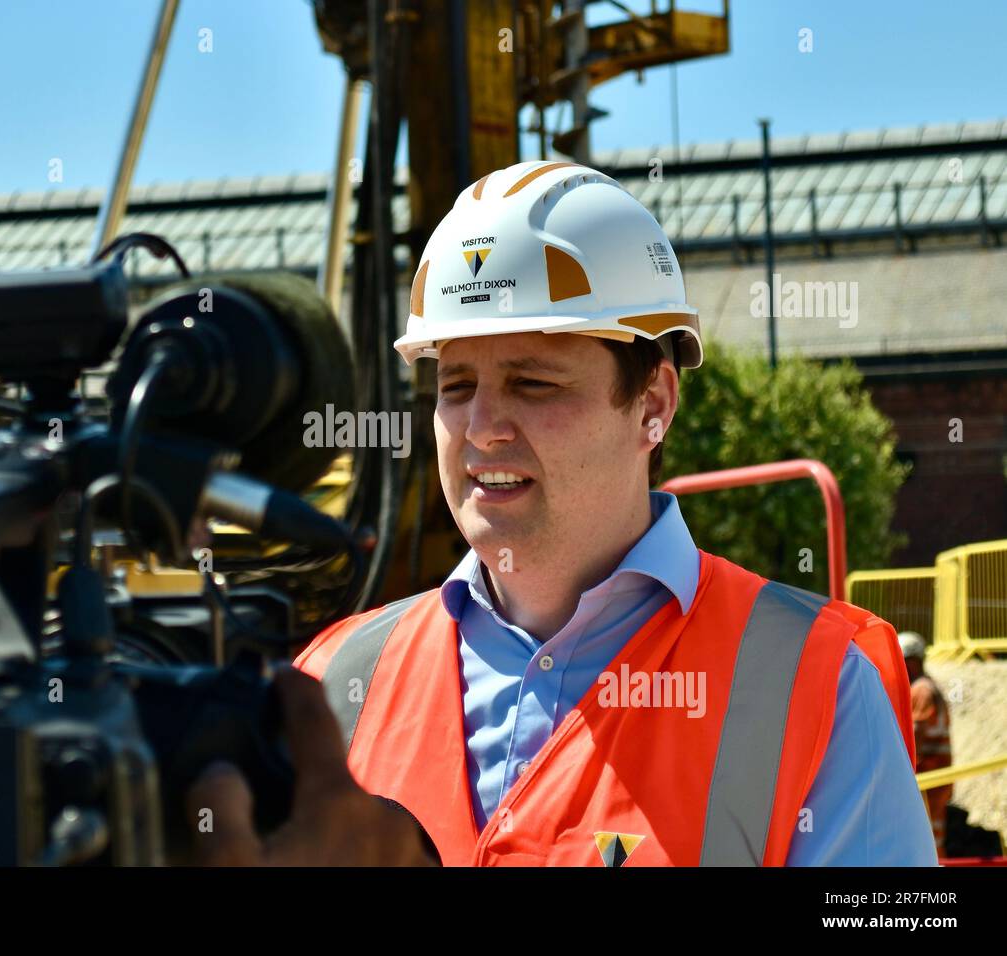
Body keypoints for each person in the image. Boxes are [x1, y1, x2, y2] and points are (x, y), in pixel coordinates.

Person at [191, 160, 936, 867]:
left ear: (653, 405)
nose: (482, 427)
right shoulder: (333, 682)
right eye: (455, 386)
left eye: (533, 383)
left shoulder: (816, 684)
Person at [900, 631, 953, 856]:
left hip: (928, 774)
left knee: (925, 832)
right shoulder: (930, 687)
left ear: (911, 662)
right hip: (936, 774)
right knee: (933, 831)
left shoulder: (921, 690)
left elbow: (916, 732)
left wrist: (902, 768)